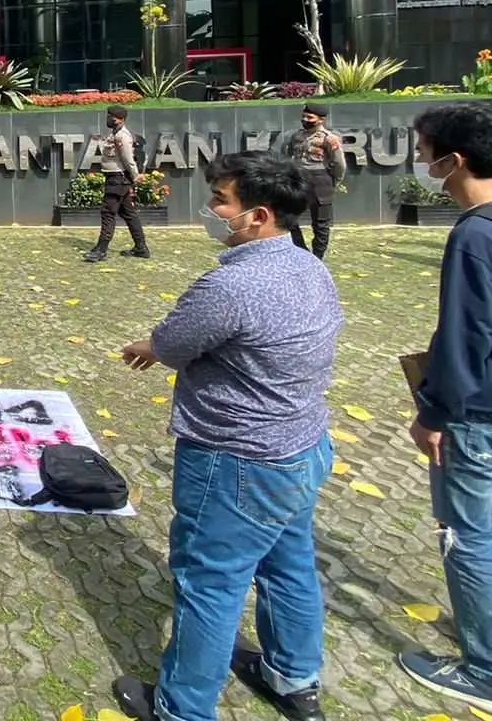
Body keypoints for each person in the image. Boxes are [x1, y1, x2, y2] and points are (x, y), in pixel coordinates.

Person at [112, 152, 340, 721]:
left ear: (258, 215)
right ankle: (292, 676)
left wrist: (146, 348)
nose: (210, 210)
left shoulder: (230, 284)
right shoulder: (311, 267)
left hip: (237, 459)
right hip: (302, 446)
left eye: (220, 201)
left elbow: (172, 342)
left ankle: (181, 708)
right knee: (289, 563)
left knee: (209, 584)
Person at [399, 103, 492, 721]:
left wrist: (433, 412)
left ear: (451, 160)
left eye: (424, 147)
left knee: (467, 534)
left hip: (476, 410)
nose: (420, 158)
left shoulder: (476, 234)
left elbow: (466, 337)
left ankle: (491, 675)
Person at [85, 105, 149, 263]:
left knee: (108, 213)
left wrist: (135, 176)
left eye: (110, 116)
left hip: (118, 179)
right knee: (128, 213)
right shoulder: (114, 134)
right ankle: (141, 248)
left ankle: (101, 250)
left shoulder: (122, 136)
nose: (108, 119)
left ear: (118, 118)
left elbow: (128, 159)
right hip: (116, 178)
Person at [284, 103, 346, 260]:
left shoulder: (330, 139)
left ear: (321, 120)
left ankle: (318, 257)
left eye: (310, 117)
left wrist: (335, 180)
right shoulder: (297, 136)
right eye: (304, 116)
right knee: (287, 215)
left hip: (320, 181)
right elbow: (291, 156)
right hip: (299, 179)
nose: (305, 119)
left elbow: (339, 163)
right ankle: (302, 251)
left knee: (321, 224)